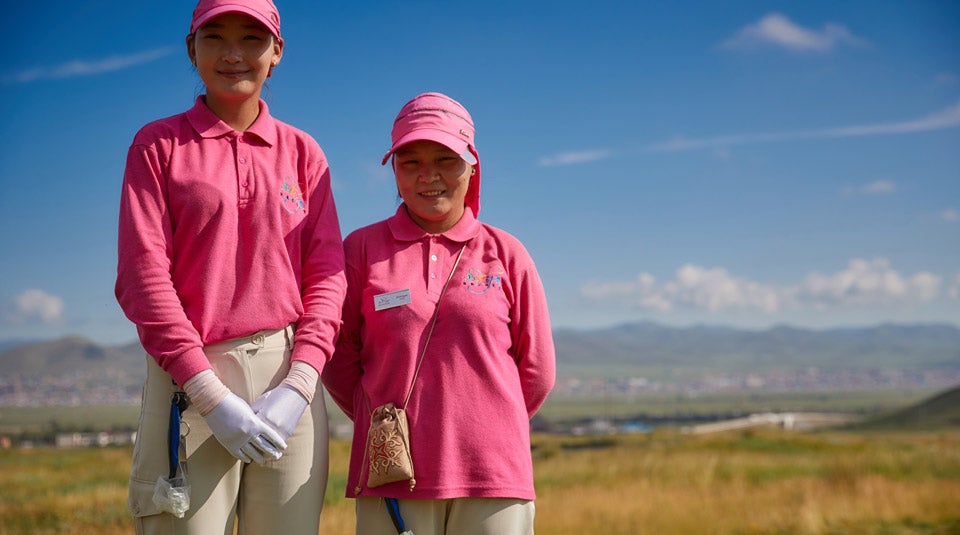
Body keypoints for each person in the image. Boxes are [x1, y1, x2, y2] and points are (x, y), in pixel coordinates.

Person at [115, 0, 345, 533]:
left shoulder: (303, 154)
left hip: (289, 375)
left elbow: (328, 277)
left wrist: (301, 383)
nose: (234, 54)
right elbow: (143, 277)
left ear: (277, 52)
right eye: (215, 37)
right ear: (192, 48)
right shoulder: (158, 146)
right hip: (190, 378)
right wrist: (209, 394)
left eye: (252, 38)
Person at [322, 92, 556, 535]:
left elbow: (537, 370)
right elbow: (337, 357)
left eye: (445, 159)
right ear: (394, 170)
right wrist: (389, 421)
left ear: (472, 165)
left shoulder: (506, 253)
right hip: (391, 471)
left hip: (494, 475)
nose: (428, 177)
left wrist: (486, 422)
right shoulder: (361, 250)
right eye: (410, 162)